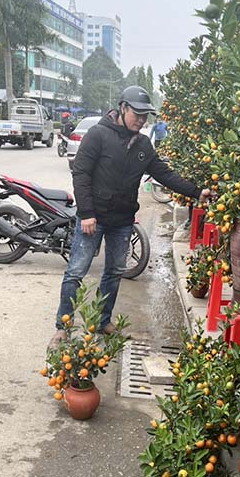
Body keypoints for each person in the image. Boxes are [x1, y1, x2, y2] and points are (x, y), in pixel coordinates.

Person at [49, 86, 210, 349]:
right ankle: (63, 327)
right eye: (137, 113)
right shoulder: (98, 135)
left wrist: (196, 192)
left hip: (122, 221)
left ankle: (103, 321)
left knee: (113, 272)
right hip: (94, 219)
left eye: (145, 115)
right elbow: (81, 174)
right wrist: (87, 213)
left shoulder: (143, 144)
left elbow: (164, 175)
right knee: (76, 272)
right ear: (123, 108)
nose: (142, 120)